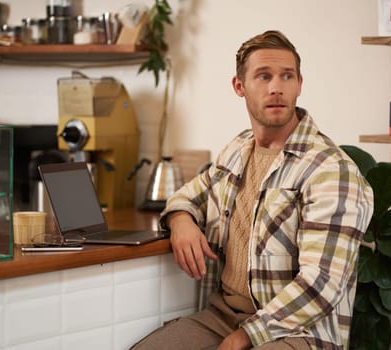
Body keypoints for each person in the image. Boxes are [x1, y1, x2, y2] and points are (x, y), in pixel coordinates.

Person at [131, 30, 374, 350]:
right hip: (222, 316)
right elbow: (188, 195)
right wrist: (180, 220)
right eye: (263, 76)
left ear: (300, 84)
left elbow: (321, 284)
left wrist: (245, 336)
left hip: (302, 333)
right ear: (239, 86)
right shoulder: (236, 150)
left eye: (287, 76)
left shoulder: (331, 170)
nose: (276, 87)